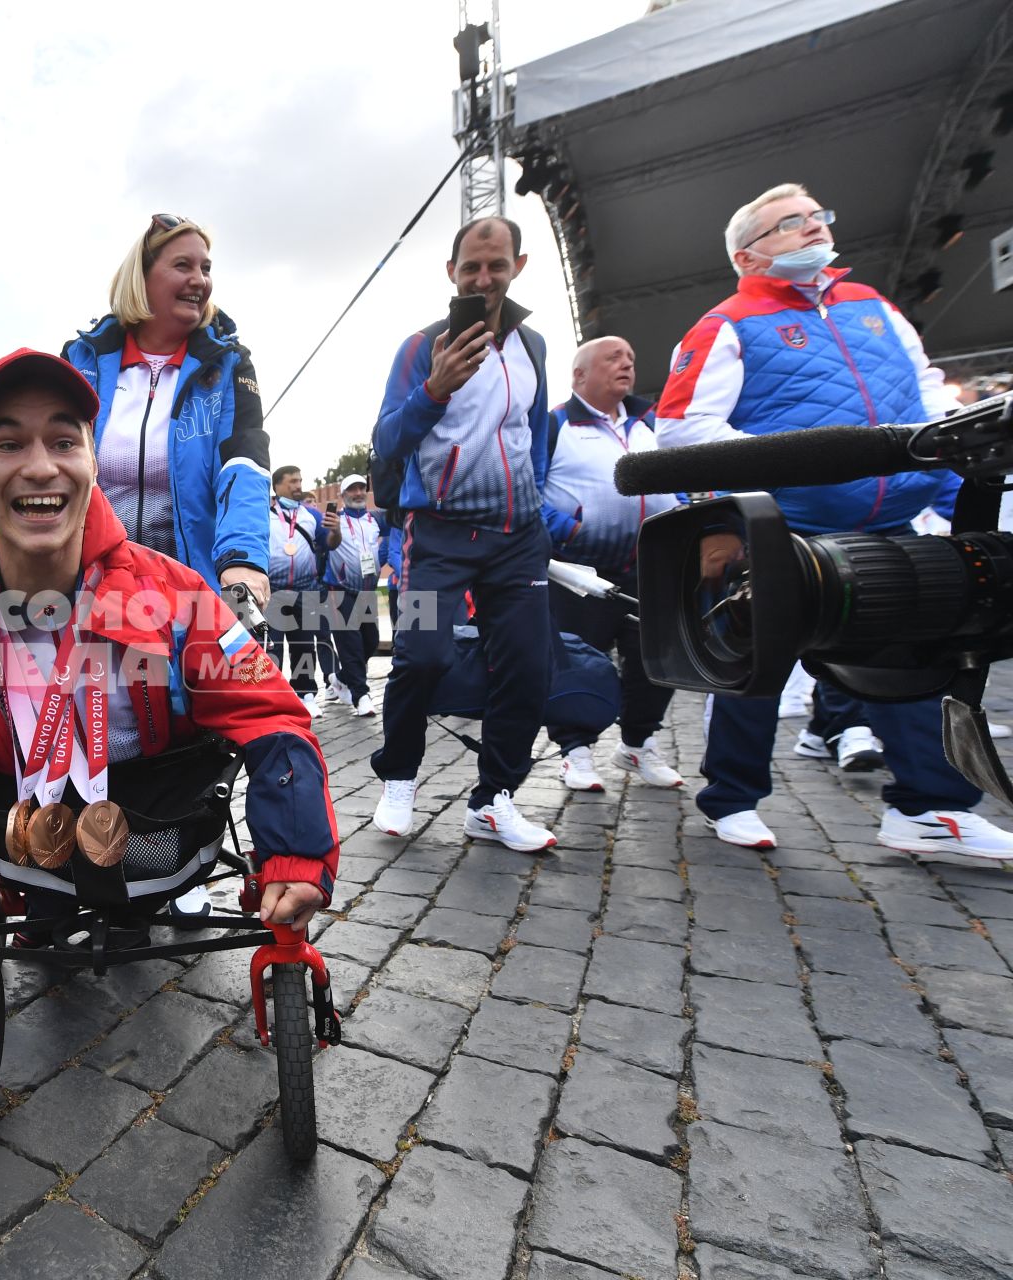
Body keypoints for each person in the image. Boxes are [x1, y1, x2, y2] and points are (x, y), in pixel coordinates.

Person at [0, 349, 338, 945]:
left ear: (92, 457)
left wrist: (295, 855)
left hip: (163, 838)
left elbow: (270, 714)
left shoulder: (181, 597)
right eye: (9, 444)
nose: (40, 468)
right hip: (25, 851)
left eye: (63, 442)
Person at [656, 182, 1013, 857]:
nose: (813, 228)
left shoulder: (873, 307)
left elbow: (927, 389)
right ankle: (731, 797)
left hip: (892, 522)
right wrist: (787, 469)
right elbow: (681, 428)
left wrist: (948, 462)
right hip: (788, 529)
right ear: (749, 255)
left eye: (817, 216)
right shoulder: (723, 324)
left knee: (911, 661)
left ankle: (928, 807)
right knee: (756, 665)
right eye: (790, 223)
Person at [62, 214, 274, 919]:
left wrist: (244, 563)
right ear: (143, 277)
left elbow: (245, 464)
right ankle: (77, 854)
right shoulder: (82, 360)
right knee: (90, 716)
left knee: (185, 726)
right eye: (183, 264)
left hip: (183, 583)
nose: (200, 278)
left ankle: (176, 859)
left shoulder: (227, 364)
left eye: (206, 267)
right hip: (87, 580)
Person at [369, 216, 555, 851]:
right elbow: (387, 439)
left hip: (518, 536)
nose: (484, 278)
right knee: (421, 658)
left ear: (517, 267)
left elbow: (535, 436)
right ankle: (398, 775)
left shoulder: (533, 347)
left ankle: (494, 799)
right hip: (440, 534)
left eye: (496, 266)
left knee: (529, 667)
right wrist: (434, 390)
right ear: (451, 273)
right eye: (471, 268)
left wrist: (538, 505)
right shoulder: (423, 346)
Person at [540, 336, 683, 792]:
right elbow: (526, 491)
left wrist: (682, 511)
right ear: (580, 374)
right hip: (581, 569)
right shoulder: (554, 424)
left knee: (657, 658)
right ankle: (575, 750)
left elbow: (683, 477)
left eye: (631, 357)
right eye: (613, 358)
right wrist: (570, 529)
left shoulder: (653, 422)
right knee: (578, 659)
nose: (627, 364)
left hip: (651, 563)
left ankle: (638, 744)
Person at [266, 465, 337, 718]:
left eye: (300, 480)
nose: (298, 485)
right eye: (293, 481)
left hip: (306, 589)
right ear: (278, 486)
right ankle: (274, 698)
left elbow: (330, 543)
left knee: (304, 644)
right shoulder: (264, 515)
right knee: (272, 646)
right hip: (273, 590)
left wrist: (335, 530)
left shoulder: (311, 515)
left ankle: (306, 694)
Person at [324, 474, 382, 717]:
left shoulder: (374, 521)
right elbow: (330, 543)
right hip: (340, 591)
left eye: (361, 488)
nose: (358, 493)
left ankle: (338, 678)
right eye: (352, 489)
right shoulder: (334, 520)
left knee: (371, 642)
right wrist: (335, 530)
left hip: (366, 592)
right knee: (351, 647)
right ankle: (362, 697)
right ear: (343, 494)